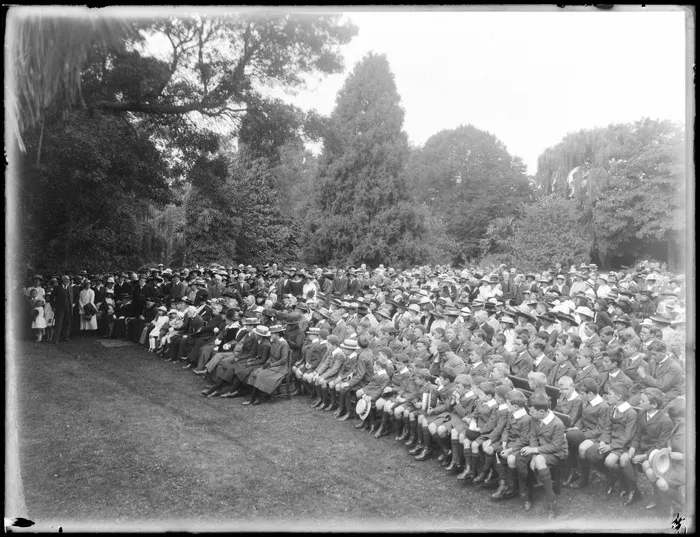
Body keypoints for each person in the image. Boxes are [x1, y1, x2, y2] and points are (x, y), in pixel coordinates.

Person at [515, 393, 568, 518]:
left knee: (539, 460)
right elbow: (533, 436)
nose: (530, 414)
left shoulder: (557, 424)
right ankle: (526, 492)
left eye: (532, 411)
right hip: (539, 449)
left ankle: (552, 500)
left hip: (556, 452)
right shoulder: (535, 418)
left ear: (542, 411)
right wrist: (533, 454)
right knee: (520, 456)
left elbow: (555, 447)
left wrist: (534, 451)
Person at [619, 387, 673, 506]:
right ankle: (634, 490)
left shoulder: (665, 421)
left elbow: (660, 444)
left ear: (654, 405)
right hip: (640, 447)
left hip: (654, 452)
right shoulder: (642, 413)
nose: (640, 402)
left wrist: (645, 456)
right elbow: (638, 434)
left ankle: (657, 496)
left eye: (643, 401)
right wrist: (633, 448)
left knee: (646, 466)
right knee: (624, 459)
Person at [491, 389, 532, 501]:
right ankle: (503, 482)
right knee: (497, 451)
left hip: (520, 445)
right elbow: (507, 429)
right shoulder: (511, 413)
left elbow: (524, 439)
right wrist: (504, 442)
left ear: (515, 406)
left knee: (511, 459)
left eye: (507, 404)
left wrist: (510, 450)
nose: (506, 405)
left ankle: (513, 487)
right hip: (510, 442)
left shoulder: (526, 419)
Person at [245, 324, 289, 405]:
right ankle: (254, 396)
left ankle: (259, 397)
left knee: (262, 375)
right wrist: (267, 362)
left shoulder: (284, 344)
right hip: (272, 364)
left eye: (272, 334)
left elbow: (284, 359)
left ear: (277, 334)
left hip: (280, 367)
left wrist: (272, 364)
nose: (270, 335)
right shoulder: (274, 342)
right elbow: (271, 356)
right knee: (256, 372)